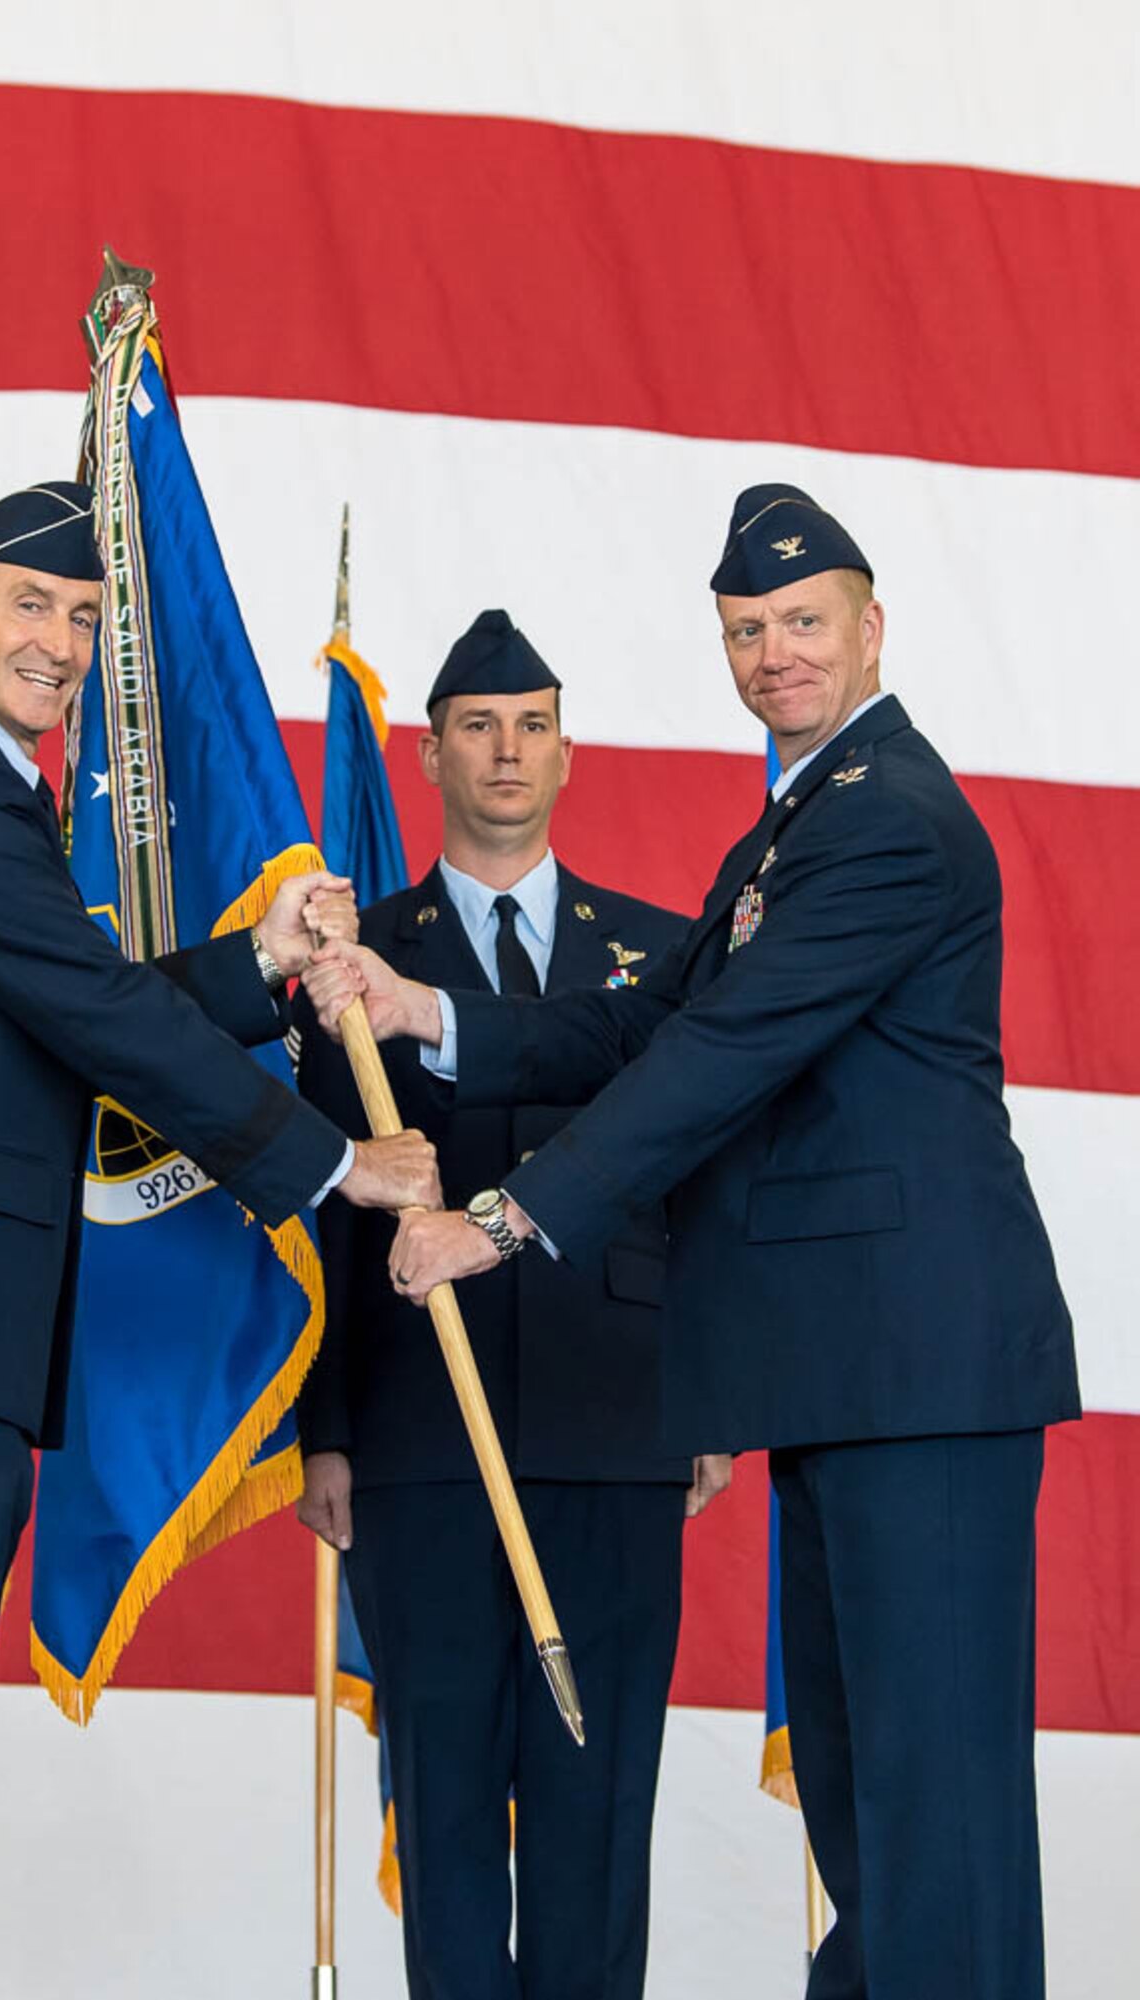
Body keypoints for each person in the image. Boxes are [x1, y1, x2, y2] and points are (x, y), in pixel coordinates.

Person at [305, 487, 1081, 2000]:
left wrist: (504, 1217)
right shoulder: (802, 823)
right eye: (746, 631)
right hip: (853, 1377)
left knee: (933, 1820)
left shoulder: (888, 823)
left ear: (871, 628)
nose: (775, 653)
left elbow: (715, 1060)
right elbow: (657, 1017)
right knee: (868, 1810)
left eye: (803, 623)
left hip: (920, 1370)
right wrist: (428, 1015)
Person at [0, 481, 439, 2000]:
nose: (61, 644)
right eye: (29, 606)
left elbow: (69, 1007)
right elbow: (100, 1019)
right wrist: (328, 1167)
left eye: (85, 618)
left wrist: (257, 962)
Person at [294, 608, 730, 2000]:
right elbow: (313, 1214)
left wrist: (711, 1392)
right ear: (426, 754)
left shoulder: (658, 956)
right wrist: (324, 1427)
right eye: (477, 726)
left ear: (565, 752)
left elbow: (695, 1187)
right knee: (441, 1801)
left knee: (597, 1814)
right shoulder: (353, 967)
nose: (505, 750)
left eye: (530, 724)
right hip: (420, 1441)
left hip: (615, 1426)